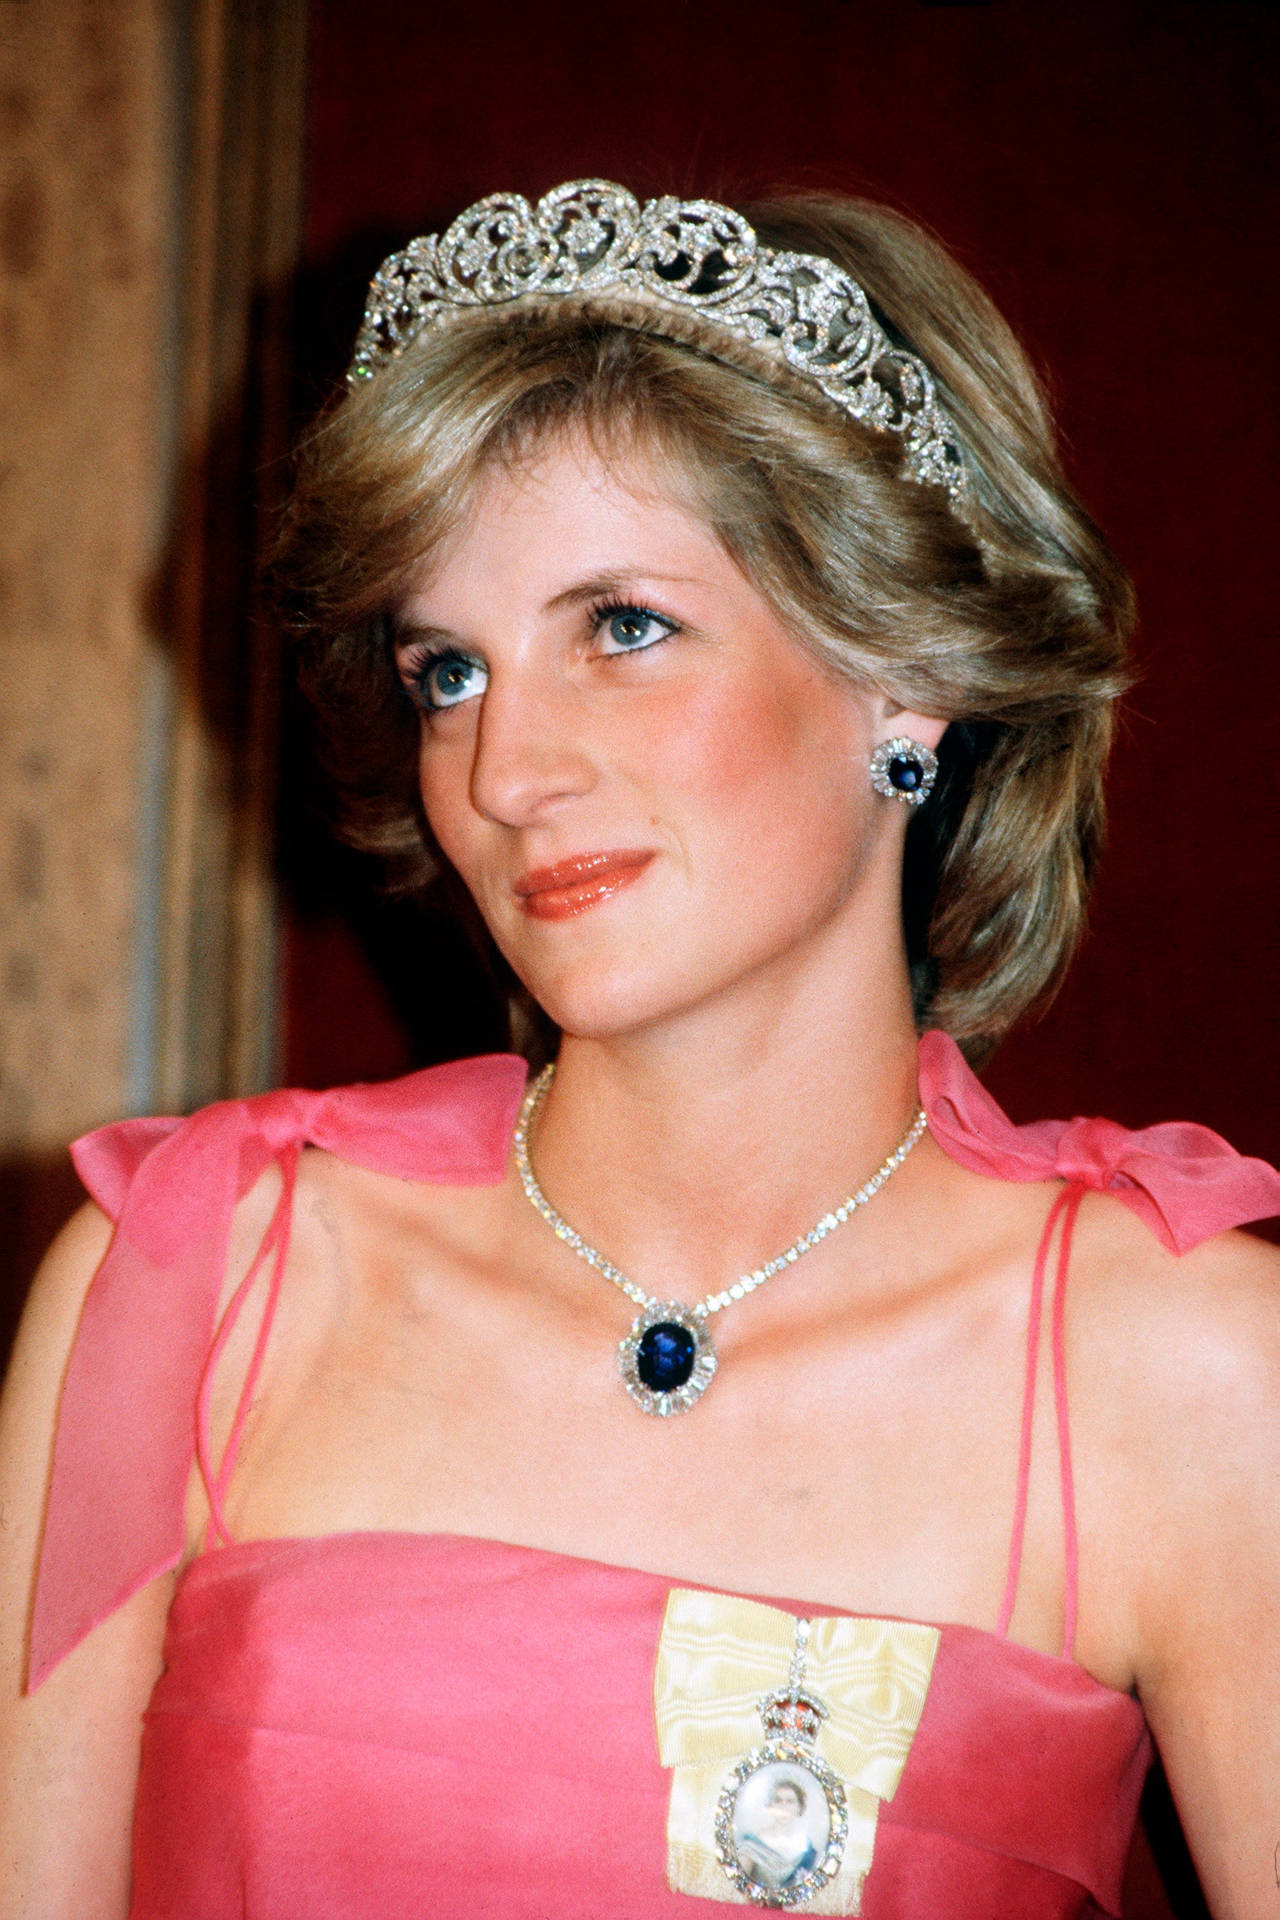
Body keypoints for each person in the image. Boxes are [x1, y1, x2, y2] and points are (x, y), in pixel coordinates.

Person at [1, 180, 1278, 1919]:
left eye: (621, 628)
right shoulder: (194, 1287)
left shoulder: (1182, 1376)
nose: (507, 771)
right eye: (449, 670)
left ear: (903, 669)